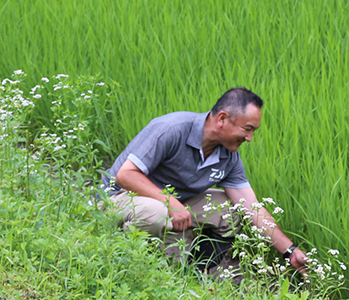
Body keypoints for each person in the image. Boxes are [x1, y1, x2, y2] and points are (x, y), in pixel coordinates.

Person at [101, 87, 307, 273]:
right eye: (248, 129)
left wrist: (289, 251)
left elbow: (251, 207)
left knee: (234, 209)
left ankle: (196, 271)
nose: (250, 138)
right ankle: (122, 258)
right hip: (119, 197)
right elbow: (126, 175)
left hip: (173, 205)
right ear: (222, 119)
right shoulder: (172, 129)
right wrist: (171, 202)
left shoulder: (229, 156)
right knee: (156, 213)